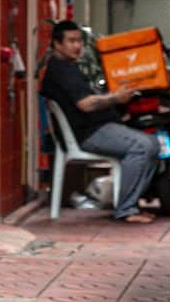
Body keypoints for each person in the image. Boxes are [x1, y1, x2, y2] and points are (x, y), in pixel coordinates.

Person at [40, 21, 159, 224]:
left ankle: (130, 205)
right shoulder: (61, 71)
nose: (77, 46)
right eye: (71, 41)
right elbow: (85, 105)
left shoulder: (70, 68)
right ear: (57, 44)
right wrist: (115, 98)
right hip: (88, 134)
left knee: (154, 144)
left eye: (79, 41)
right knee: (142, 146)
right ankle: (126, 209)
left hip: (98, 128)